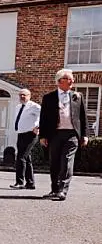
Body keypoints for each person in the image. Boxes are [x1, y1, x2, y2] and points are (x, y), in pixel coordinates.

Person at [40, 69, 91, 202]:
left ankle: (63, 190)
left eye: (72, 78)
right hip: (55, 134)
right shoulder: (48, 98)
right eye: (68, 78)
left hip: (71, 135)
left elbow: (83, 117)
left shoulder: (77, 96)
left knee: (67, 162)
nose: (72, 81)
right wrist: (43, 136)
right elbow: (43, 118)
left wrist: (85, 135)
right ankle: (54, 190)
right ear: (59, 81)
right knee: (54, 163)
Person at [9, 87, 40, 191]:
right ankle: (30, 183)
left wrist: (38, 127)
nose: (22, 96)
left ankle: (20, 182)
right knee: (27, 158)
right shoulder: (18, 106)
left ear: (29, 96)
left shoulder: (34, 106)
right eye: (20, 95)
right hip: (21, 134)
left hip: (30, 134)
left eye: (24, 95)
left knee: (21, 157)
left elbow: (45, 116)